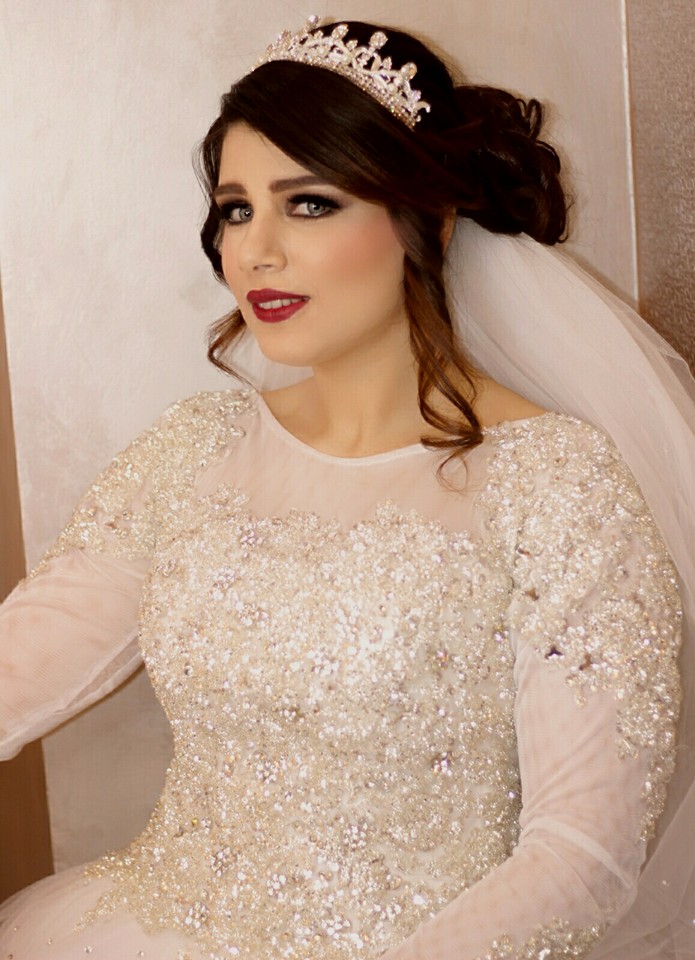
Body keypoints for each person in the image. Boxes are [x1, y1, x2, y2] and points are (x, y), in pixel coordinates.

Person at [1, 15, 694, 960]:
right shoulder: (190, 454)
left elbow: (582, 857)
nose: (256, 251)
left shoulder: (557, 486)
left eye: (309, 203)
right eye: (236, 208)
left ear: (426, 219)